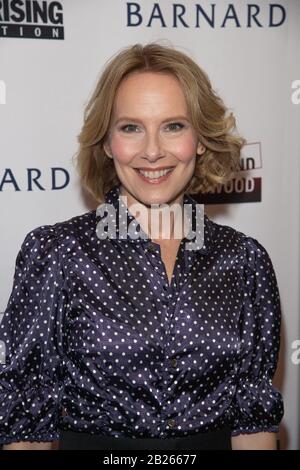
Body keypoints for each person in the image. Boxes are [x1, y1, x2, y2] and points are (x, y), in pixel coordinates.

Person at [0, 42, 283, 451]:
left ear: (200, 140)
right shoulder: (58, 253)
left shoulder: (245, 260)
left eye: (174, 126)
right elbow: (28, 433)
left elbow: (253, 426)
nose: (152, 151)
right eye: (131, 127)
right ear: (106, 143)